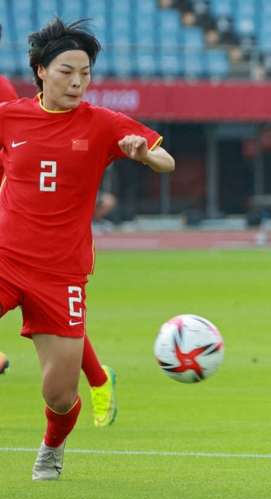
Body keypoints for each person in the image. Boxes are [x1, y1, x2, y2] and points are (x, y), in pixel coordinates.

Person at [0, 18, 174, 481]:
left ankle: (51, 449)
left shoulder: (103, 123)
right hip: (5, 259)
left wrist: (143, 154)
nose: (77, 82)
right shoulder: (9, 116)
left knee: (59, 395)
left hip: (61, 275)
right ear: (40, 70)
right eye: (66, 71)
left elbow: (166, 159)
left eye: (85, 73)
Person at [0, 23, 118, 428]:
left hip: (33, 220)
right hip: (12, 234)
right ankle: (100, 379)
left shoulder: (4, 93)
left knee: (59, 363)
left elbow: (39, 141)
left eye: (82, 73)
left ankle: (97, 382)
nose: (76, 82)